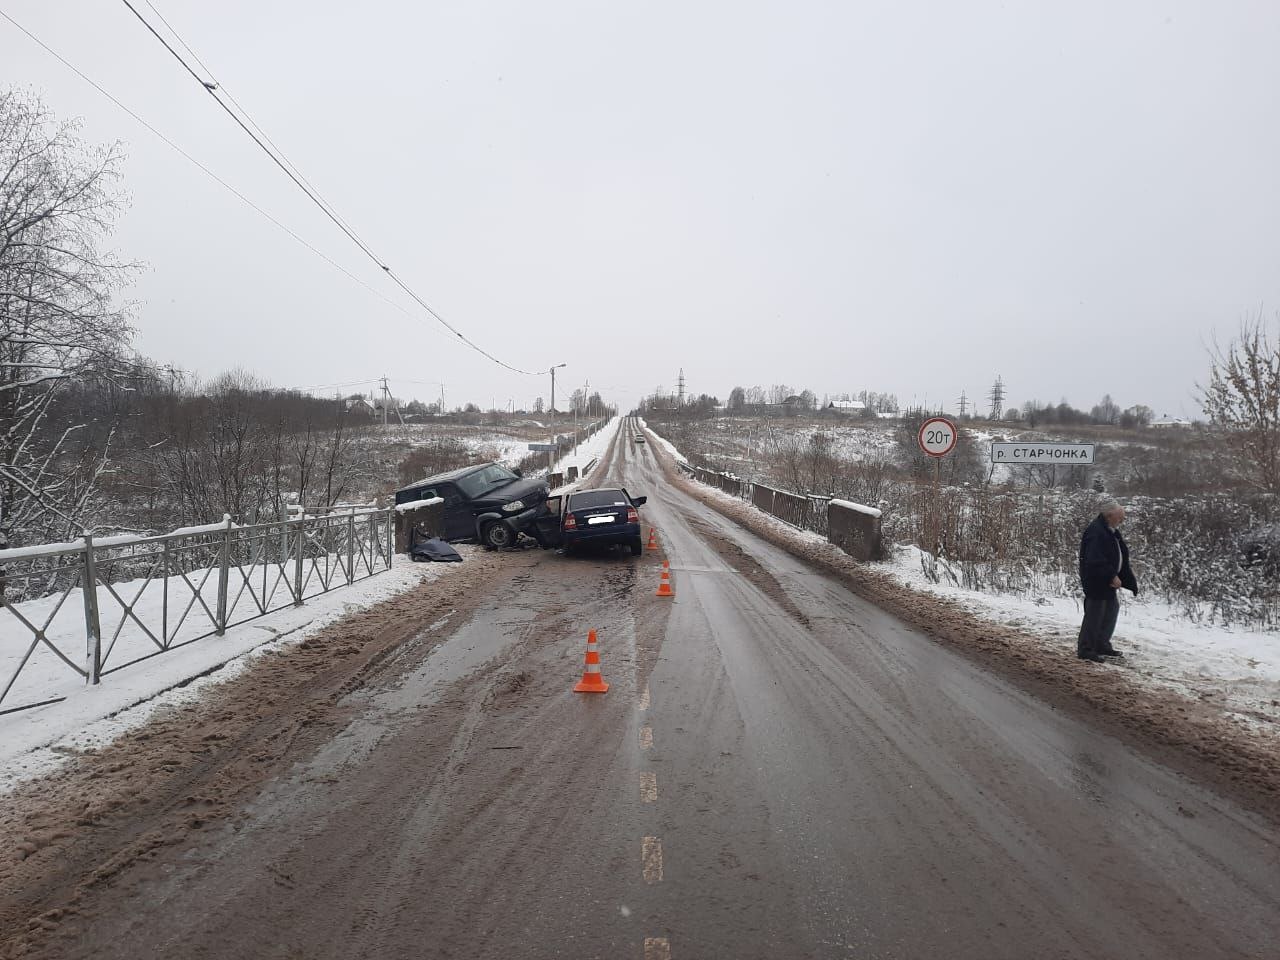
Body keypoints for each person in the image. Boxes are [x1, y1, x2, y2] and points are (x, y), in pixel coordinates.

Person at [1077, 499, 1138, 663]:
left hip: (1107, 582)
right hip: (1096, 581)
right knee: (1095, 615)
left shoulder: (1109, 530)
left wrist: (1126, 579)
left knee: (1110, 611)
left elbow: (1119, 556)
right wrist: (1111, 575)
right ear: (1109, 515)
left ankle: (1101, 644)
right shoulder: (1096, 532)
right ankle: (1086, 649)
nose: (1122, 520)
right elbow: (1095, 559)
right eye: (1120, 517)